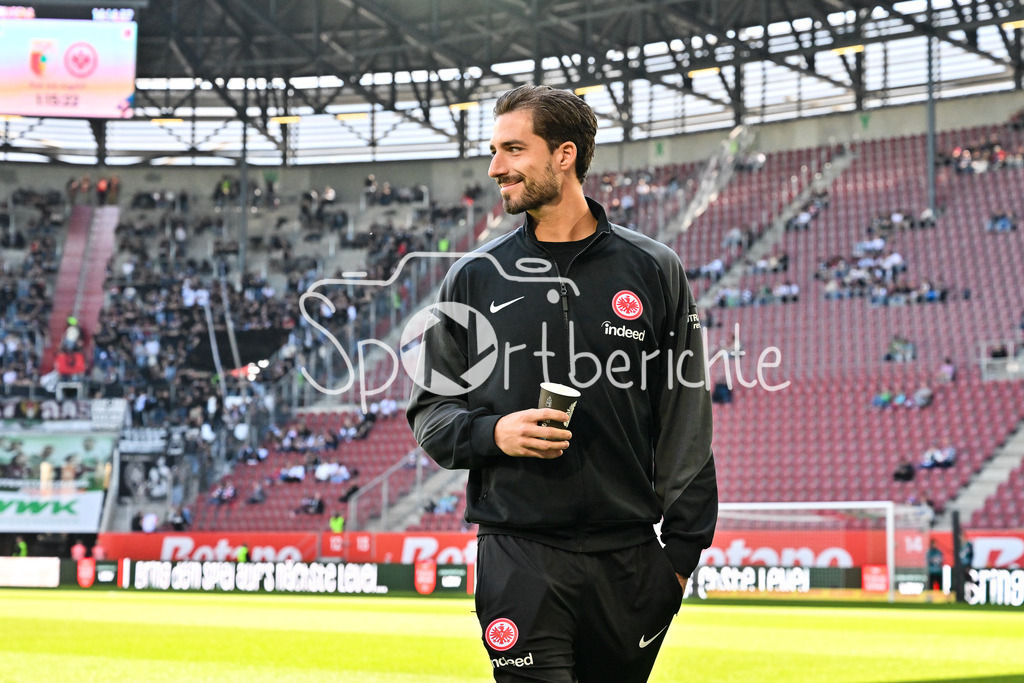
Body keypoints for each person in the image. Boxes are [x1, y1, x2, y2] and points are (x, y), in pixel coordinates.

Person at [407, 84, 717, 682]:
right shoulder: (472, 277)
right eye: (495, 151)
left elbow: (687, 420)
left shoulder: (653, 267)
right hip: (518, 556)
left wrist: (678, 558)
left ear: (565, 155)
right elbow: (430, 414)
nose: (496, 168)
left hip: (630, 562)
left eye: (513, 150)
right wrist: (497, 433)